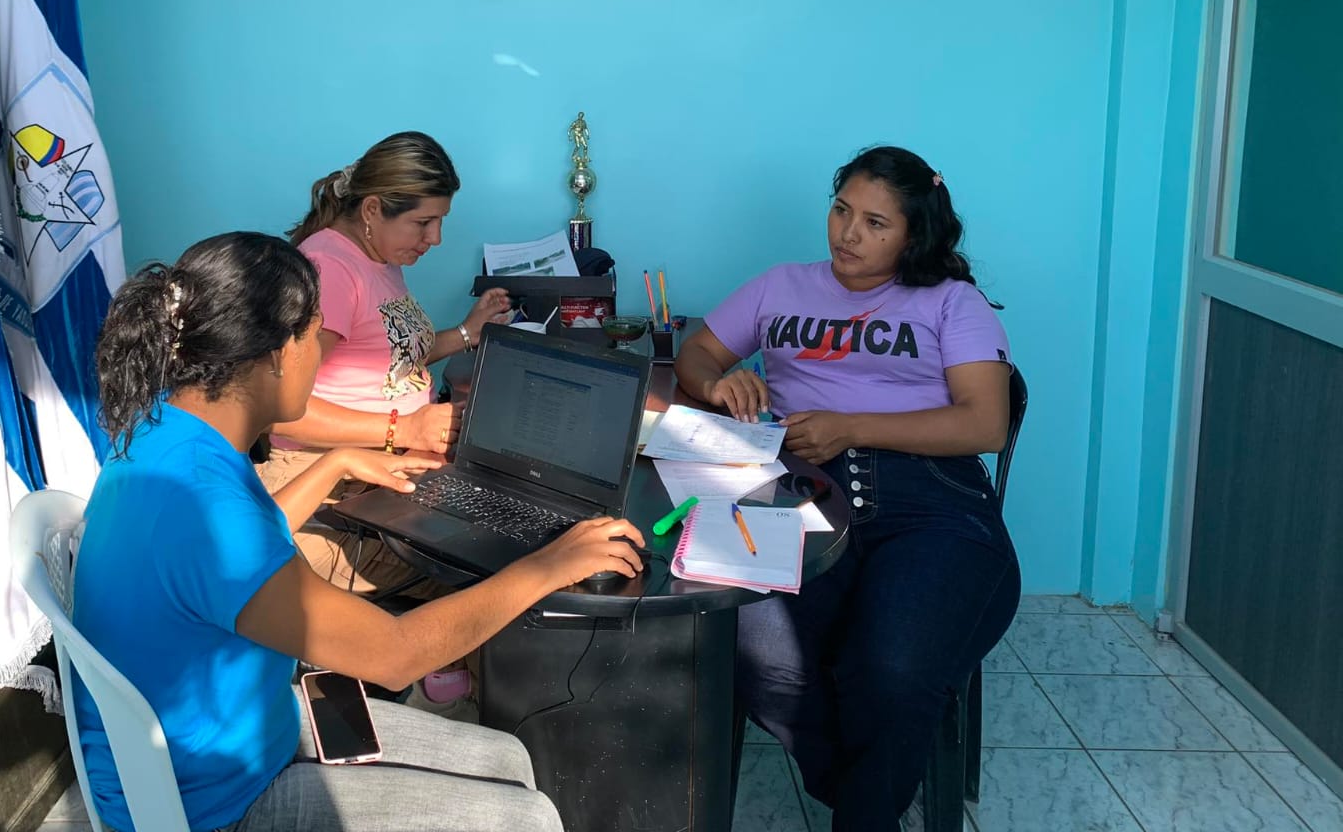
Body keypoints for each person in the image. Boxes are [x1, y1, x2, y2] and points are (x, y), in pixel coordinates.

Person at [73, 232, 644, 832]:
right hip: (213, 802)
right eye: (315, 336)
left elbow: (232, 554)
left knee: (506, 757)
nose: (320, 358)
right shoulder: (208, 510)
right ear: (277, 353)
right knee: (527, 817)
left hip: (237, 725)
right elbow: (395, 656)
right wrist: (547, 566)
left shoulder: (168, 428)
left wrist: (336, 462)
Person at [674, 146, 1020, 832]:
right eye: (840, 211)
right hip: (798, 493)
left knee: (891, 668)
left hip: (931, 501)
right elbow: (697, 352)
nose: (847, 234)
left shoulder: (954, 302)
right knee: (745, 640)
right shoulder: (781, 285)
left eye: (874, 223)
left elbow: (985, 422)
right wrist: (718, 383)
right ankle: (866, 794)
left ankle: (866, 808)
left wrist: (850, 426)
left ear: (914, 235)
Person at [257, 131, 510, 596]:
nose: (435, 239)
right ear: (372, 209)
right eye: (423, 222)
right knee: (483, 577)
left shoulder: (378, 255)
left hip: (385, 465)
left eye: (440, 222)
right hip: (324, 487)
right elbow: (276, 408)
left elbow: (388, 358)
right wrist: (404, 429)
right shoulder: (330, 269)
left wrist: (467, 332)